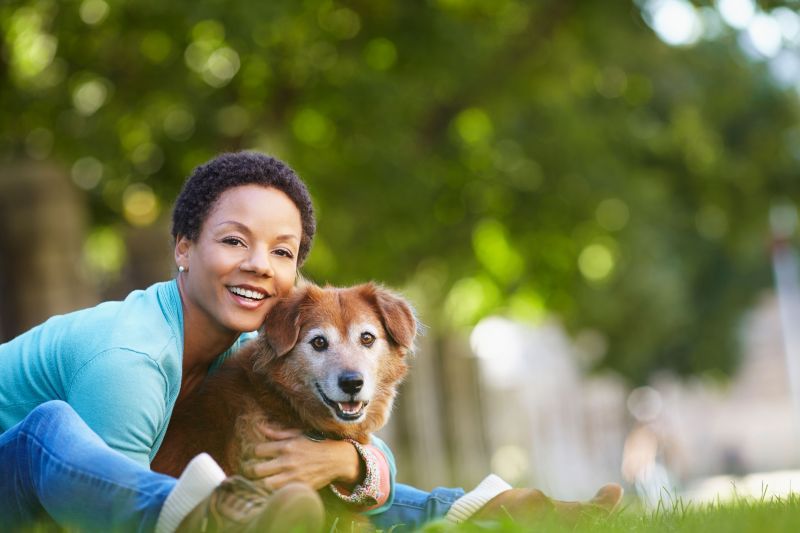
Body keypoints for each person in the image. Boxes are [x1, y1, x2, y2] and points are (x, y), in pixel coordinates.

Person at [0, 151, 621, 532]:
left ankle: (505, 510)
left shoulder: (250, 346)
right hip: (21, 475)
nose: (258, 266)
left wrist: (350, 461)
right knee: (46, 430)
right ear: (183, 248)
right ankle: (223, 518)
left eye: (282, 251)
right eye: (233, 241)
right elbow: (105, 515)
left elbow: (318, 441)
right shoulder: (131, 359)